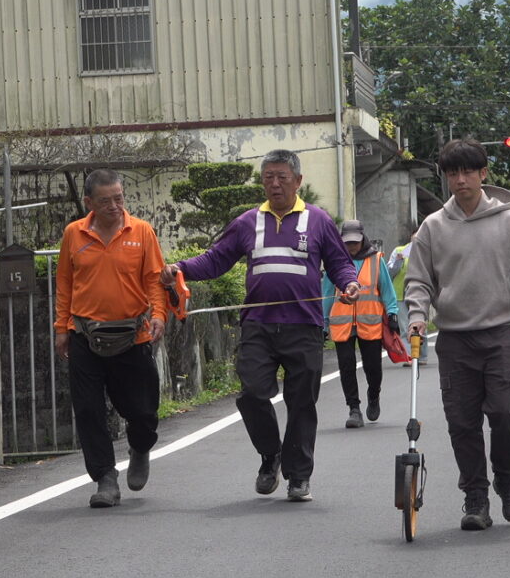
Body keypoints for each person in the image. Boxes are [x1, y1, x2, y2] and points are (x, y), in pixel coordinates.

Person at [161, 149, 359, 502]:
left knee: (301, 403)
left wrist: (349, 284)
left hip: (304, 327)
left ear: (298, 181)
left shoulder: (318, 221)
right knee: (252, 395)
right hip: (257, 326)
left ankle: (299, 477)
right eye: (268, 176)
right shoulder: (246, 222)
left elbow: (340, 263)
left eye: (283, 176)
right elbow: (215, 260)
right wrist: (180, 268)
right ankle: (271, 456)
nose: (275, 183)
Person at [404, 138, 510, 531]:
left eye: (468, 171)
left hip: (501, 333)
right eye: (452, 173)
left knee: (505, 411)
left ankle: (508, 480)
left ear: (484, 174)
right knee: (462, 422)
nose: (460, 179)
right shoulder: (432, 228)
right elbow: (419, 282)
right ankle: (476, 497)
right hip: (454, 339)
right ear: (446, 177)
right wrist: (417, 316)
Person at [55, 169, 167, 509]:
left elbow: (154, 280)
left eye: (119, 198)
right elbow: (64, 284)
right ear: (89, 202)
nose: (114, 206)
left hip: (133, 335)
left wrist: (159, 315)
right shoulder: (74, 234)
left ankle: (140, 446)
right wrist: (62, 328)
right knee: (88, 409)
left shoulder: (142, 232)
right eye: (105, 201)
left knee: (143, 411)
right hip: (85, 335)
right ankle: (105, 477)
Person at [321, 219, 399, 429]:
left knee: (372, 367)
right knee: (346, 367)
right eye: (347, 242)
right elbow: (326, 293)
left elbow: (386, 288)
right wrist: (323, 322)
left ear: (362, 239)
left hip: (370, 321)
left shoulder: (375, 260)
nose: (351, 246)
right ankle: (353, 409)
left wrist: (392, 314)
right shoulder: (334, 261)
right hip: (341, 323)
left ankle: (374, 396)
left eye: (355, 242)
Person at [389, 230, 429, 366]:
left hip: (420, 294)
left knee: (420, 324)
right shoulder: (399, 251)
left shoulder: (427, 251)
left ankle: (422, 356)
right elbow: (390, 272)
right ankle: (409, 357)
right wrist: (398, 262)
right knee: (405, 327)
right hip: (400, 294)